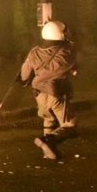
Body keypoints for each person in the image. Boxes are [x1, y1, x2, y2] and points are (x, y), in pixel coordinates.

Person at [20, 20, 77, 161]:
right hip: (56, 92)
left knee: (48, 119)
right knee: (70, 124)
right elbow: (70, 65)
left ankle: (48, 152)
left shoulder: (34, 51)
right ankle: (48, 141)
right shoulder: (66, 51)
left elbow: (24, 75)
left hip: (39, 93)